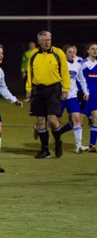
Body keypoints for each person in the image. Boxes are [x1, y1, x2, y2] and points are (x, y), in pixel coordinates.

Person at [25, 30, 71, 158]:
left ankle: (57, 142)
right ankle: (45, 150)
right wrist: (28, 89)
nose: (47, 42)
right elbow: (30, 72)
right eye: (44, 40)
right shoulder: (33, 54)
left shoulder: (58, 53)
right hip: (38, 91)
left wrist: (66, 89)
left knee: (52, 119)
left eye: (48, 40)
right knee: (40, 121)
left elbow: (65, 72)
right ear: (39, 42)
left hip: (53, 90)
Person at [58, 44, 89, 153]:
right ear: (65, 53)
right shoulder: (60, 64)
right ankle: (38, 127)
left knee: (76, 118)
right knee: (55, 122)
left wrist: (85, 91)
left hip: (72, 96)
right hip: (60, 97)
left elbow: (81, 79)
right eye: (70, 52)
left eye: (73, 52)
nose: (72, 54)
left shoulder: (77, 64)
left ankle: (78, 145)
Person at [0, 44, 24, 172]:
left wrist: (14, 100)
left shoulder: (0, 72)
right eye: (0, 53)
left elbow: (3, 88)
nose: (1, 55)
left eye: (2, 53)